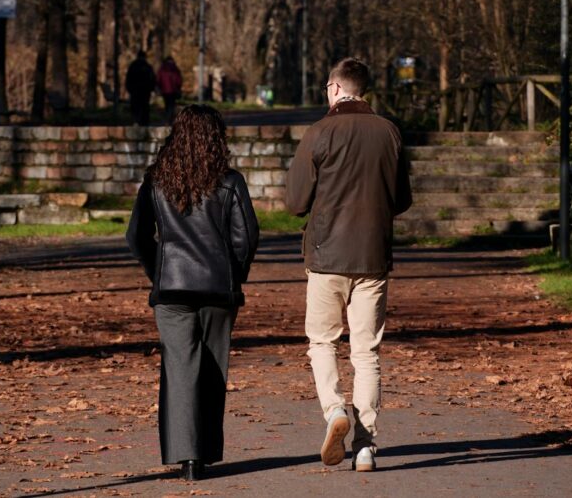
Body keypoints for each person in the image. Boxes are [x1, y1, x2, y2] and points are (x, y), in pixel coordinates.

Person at [285, 57, 412, 473]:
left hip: (326, 256)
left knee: (323, 342)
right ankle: (365, 446)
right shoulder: (389, 132)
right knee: (367, 352)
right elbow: (402, 199)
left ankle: (335, 410)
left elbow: (295, 202)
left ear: (336, 88)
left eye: (327, 88)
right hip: (373, 255)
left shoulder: (320, 132)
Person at [126, 104, 260, 481]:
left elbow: (136, 236)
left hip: (172, 289)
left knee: (180, 370)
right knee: (214, 368)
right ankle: (205, 451)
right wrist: (233, 275)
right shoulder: (230, 181)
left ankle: (187, 458)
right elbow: (247, 237)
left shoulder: (156, 181)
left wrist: (158, 270)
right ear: (217, 139)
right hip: (218, 289)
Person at [125, 50, 157, 126]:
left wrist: (129, 88)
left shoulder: (133, 66)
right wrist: (152, 88)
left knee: (135, 106)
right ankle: (144, 123)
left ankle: (136, 121)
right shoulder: (147, 66)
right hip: (145, 90)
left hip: (135, 90)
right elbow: (152, 79)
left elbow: (129, 78)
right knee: (145, 106)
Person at [156, 56, 184, 123]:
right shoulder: (175, 69)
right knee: (171, 105)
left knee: (167, 105)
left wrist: (159, 88)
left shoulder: (162, 68)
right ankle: (170, 119)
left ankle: (167, 118)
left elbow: (158, 79)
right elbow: (179, 80)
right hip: (173, 90)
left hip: (164, 90)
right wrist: (178, 87)